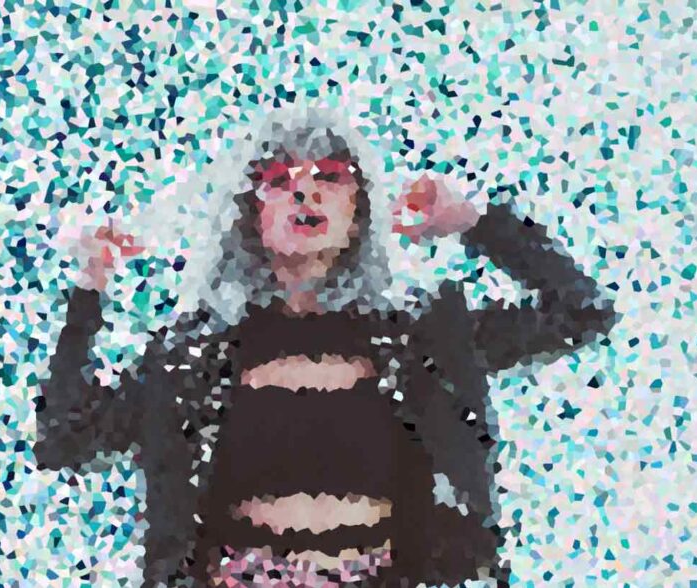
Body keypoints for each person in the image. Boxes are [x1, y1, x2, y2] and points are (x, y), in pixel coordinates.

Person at [34, 104, 616, 587]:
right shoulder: (192, 356)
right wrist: (89, 292)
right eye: (278, 180)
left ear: (361, 208)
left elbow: (581, 312)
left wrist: (475, 220)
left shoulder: (424, 339)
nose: (304, 192)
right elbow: (65, 439)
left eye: (330, 175)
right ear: (250, 214)